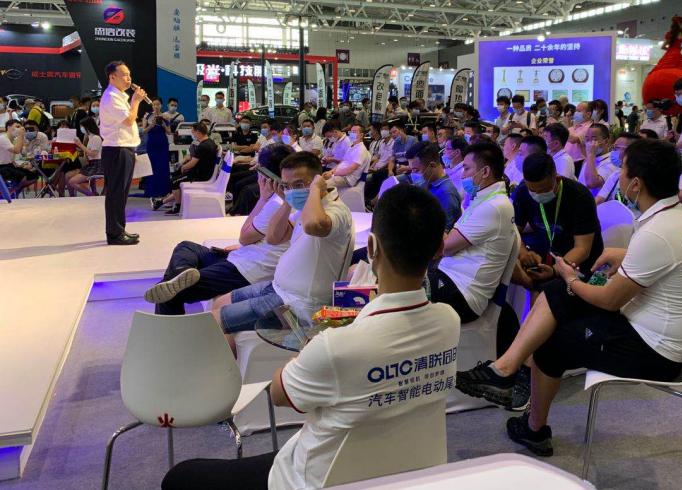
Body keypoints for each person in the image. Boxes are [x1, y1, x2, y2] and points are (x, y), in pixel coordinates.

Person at [162, 183, 458, 490]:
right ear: (440, 247)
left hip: (314, 478)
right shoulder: (448, 322)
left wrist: (314, 347)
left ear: (371, 248)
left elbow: (279, 393)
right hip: (403, 471)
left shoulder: (336, 346)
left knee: (180, 477)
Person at [455, 139, 682, 455]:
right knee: (557, 292)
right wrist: (622, 256)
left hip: (654, 351)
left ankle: (534, 429)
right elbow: (666, 260)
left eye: (622, 169)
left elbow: (609, 300)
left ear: (636, 184)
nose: (618, 175)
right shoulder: (680, 216)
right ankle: (506, 368)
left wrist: (570, 278)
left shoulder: (656, 232)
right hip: (657, 325)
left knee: (552, 342)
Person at [212, 151, 354, 345]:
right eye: (287, 185)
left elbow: (313, 225)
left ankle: (228, 360)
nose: (292, 190)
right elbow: (273, 237)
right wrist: (287, 200)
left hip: (298, 307)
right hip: (278, 288)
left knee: (214, 321)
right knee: (219, 302)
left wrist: (314, 190)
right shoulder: (306, 208)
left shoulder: (336, 211)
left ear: (318, 181)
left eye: (298, 185)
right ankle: (232, 355)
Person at [144, 144, 296, 315]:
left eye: (259, 168)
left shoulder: (275, 204)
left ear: (267, 175)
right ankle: (181, 274)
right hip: (243, 258)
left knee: (167, 294)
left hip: (245, 271)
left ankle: (176, 291)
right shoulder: (284, 199)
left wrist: (262, 199)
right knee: (185, 247)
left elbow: (244, 237)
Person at [430, 141, 516, 323]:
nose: (463, 174)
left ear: (485, 172)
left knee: (402, 290)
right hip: (452, 277)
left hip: (463, 292)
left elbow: (446, 247)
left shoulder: (494, 206)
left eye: (467, 169)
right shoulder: (487, 198)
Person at [513, 153, 603, 291]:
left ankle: (538, 291)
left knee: (548, 290)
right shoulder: (523, 192)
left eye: (544, 190)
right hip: (545, 254)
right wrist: (523, 253)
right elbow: (514, 231)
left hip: (577, 262)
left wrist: (555, 270)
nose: (538, 195)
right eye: (532, 190)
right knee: (509, 267)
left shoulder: (580, 196)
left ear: (557, 178)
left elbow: (582, 249)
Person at [99, 61, 145, 245]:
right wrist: (136, 101)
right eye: (125, 75)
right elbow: (128, 120)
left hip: (123, 148)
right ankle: (115, 234)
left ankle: (119, 230)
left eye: (129, 75)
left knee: (122, 193)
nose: (129, 79)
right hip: (117, 149)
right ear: (112, 77)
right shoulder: (111, 97)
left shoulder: (119, 96)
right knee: (116, 193)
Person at [152, 122, 219, 215]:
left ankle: (177, 206)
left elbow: (192, 163)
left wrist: (183, 167)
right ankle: (162, 202)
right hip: (203, 172)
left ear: (198, 132)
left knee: (174, 182)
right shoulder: (210, 142)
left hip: (200, 175)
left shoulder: (203, 146)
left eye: (193, 132)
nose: (192, 134)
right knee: (176, 177)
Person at [406, 141, 462, 231]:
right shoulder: (427, 182)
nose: (413, 174)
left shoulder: (446, 194)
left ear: (432, 165)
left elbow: (442, 233)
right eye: (412, 170)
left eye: (416, 170)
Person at [64, 116, 104, 196]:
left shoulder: (96, 138)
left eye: (82, 126)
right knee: (67, 175)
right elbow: (88, 152)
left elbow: (93, 154)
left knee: (72, 181)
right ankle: (72, 197)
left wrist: (80, 145)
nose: (81, 128)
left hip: (97, 166)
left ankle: (92, 195)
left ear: (87, 127)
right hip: (91, 164)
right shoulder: (90, 137)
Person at [593, 133, 637, 205]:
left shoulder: (641, 179)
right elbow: (599, 199)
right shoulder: (616, 175)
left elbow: (592, 183)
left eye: (616, 148)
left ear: (630, 150)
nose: (613, 151)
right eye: (613, 147)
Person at [324, 123, 370, 189]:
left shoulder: (361, 149)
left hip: (347, 179)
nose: (351, 134)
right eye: (351, 132)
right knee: (320, 179)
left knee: (322, 185)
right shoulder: (351, 147)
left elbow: (350, 169)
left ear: (361, 135)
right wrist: (330, 171)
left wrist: (332, 174)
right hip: (340, 175)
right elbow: (342, 162)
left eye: (354, 132)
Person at [0, 118, 33, 191]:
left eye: (20, 127)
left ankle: (15, 190)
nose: (19, 129)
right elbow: (16, 150)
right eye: (17, 126)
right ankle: (14, 190)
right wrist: (20, 135)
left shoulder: (14, 140)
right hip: (2, 167)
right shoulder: (3, 138)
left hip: (10, 165)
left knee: (32, 176)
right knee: (23, 176)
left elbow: (22, 152)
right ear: (8, 127)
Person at [580, 123, 612, 191]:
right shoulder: (588, 159)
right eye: (587, 139)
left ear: (606, 141)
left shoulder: (611, 162)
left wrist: (591, 155)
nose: (589, 143)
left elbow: (591, 183)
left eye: (594, 139)